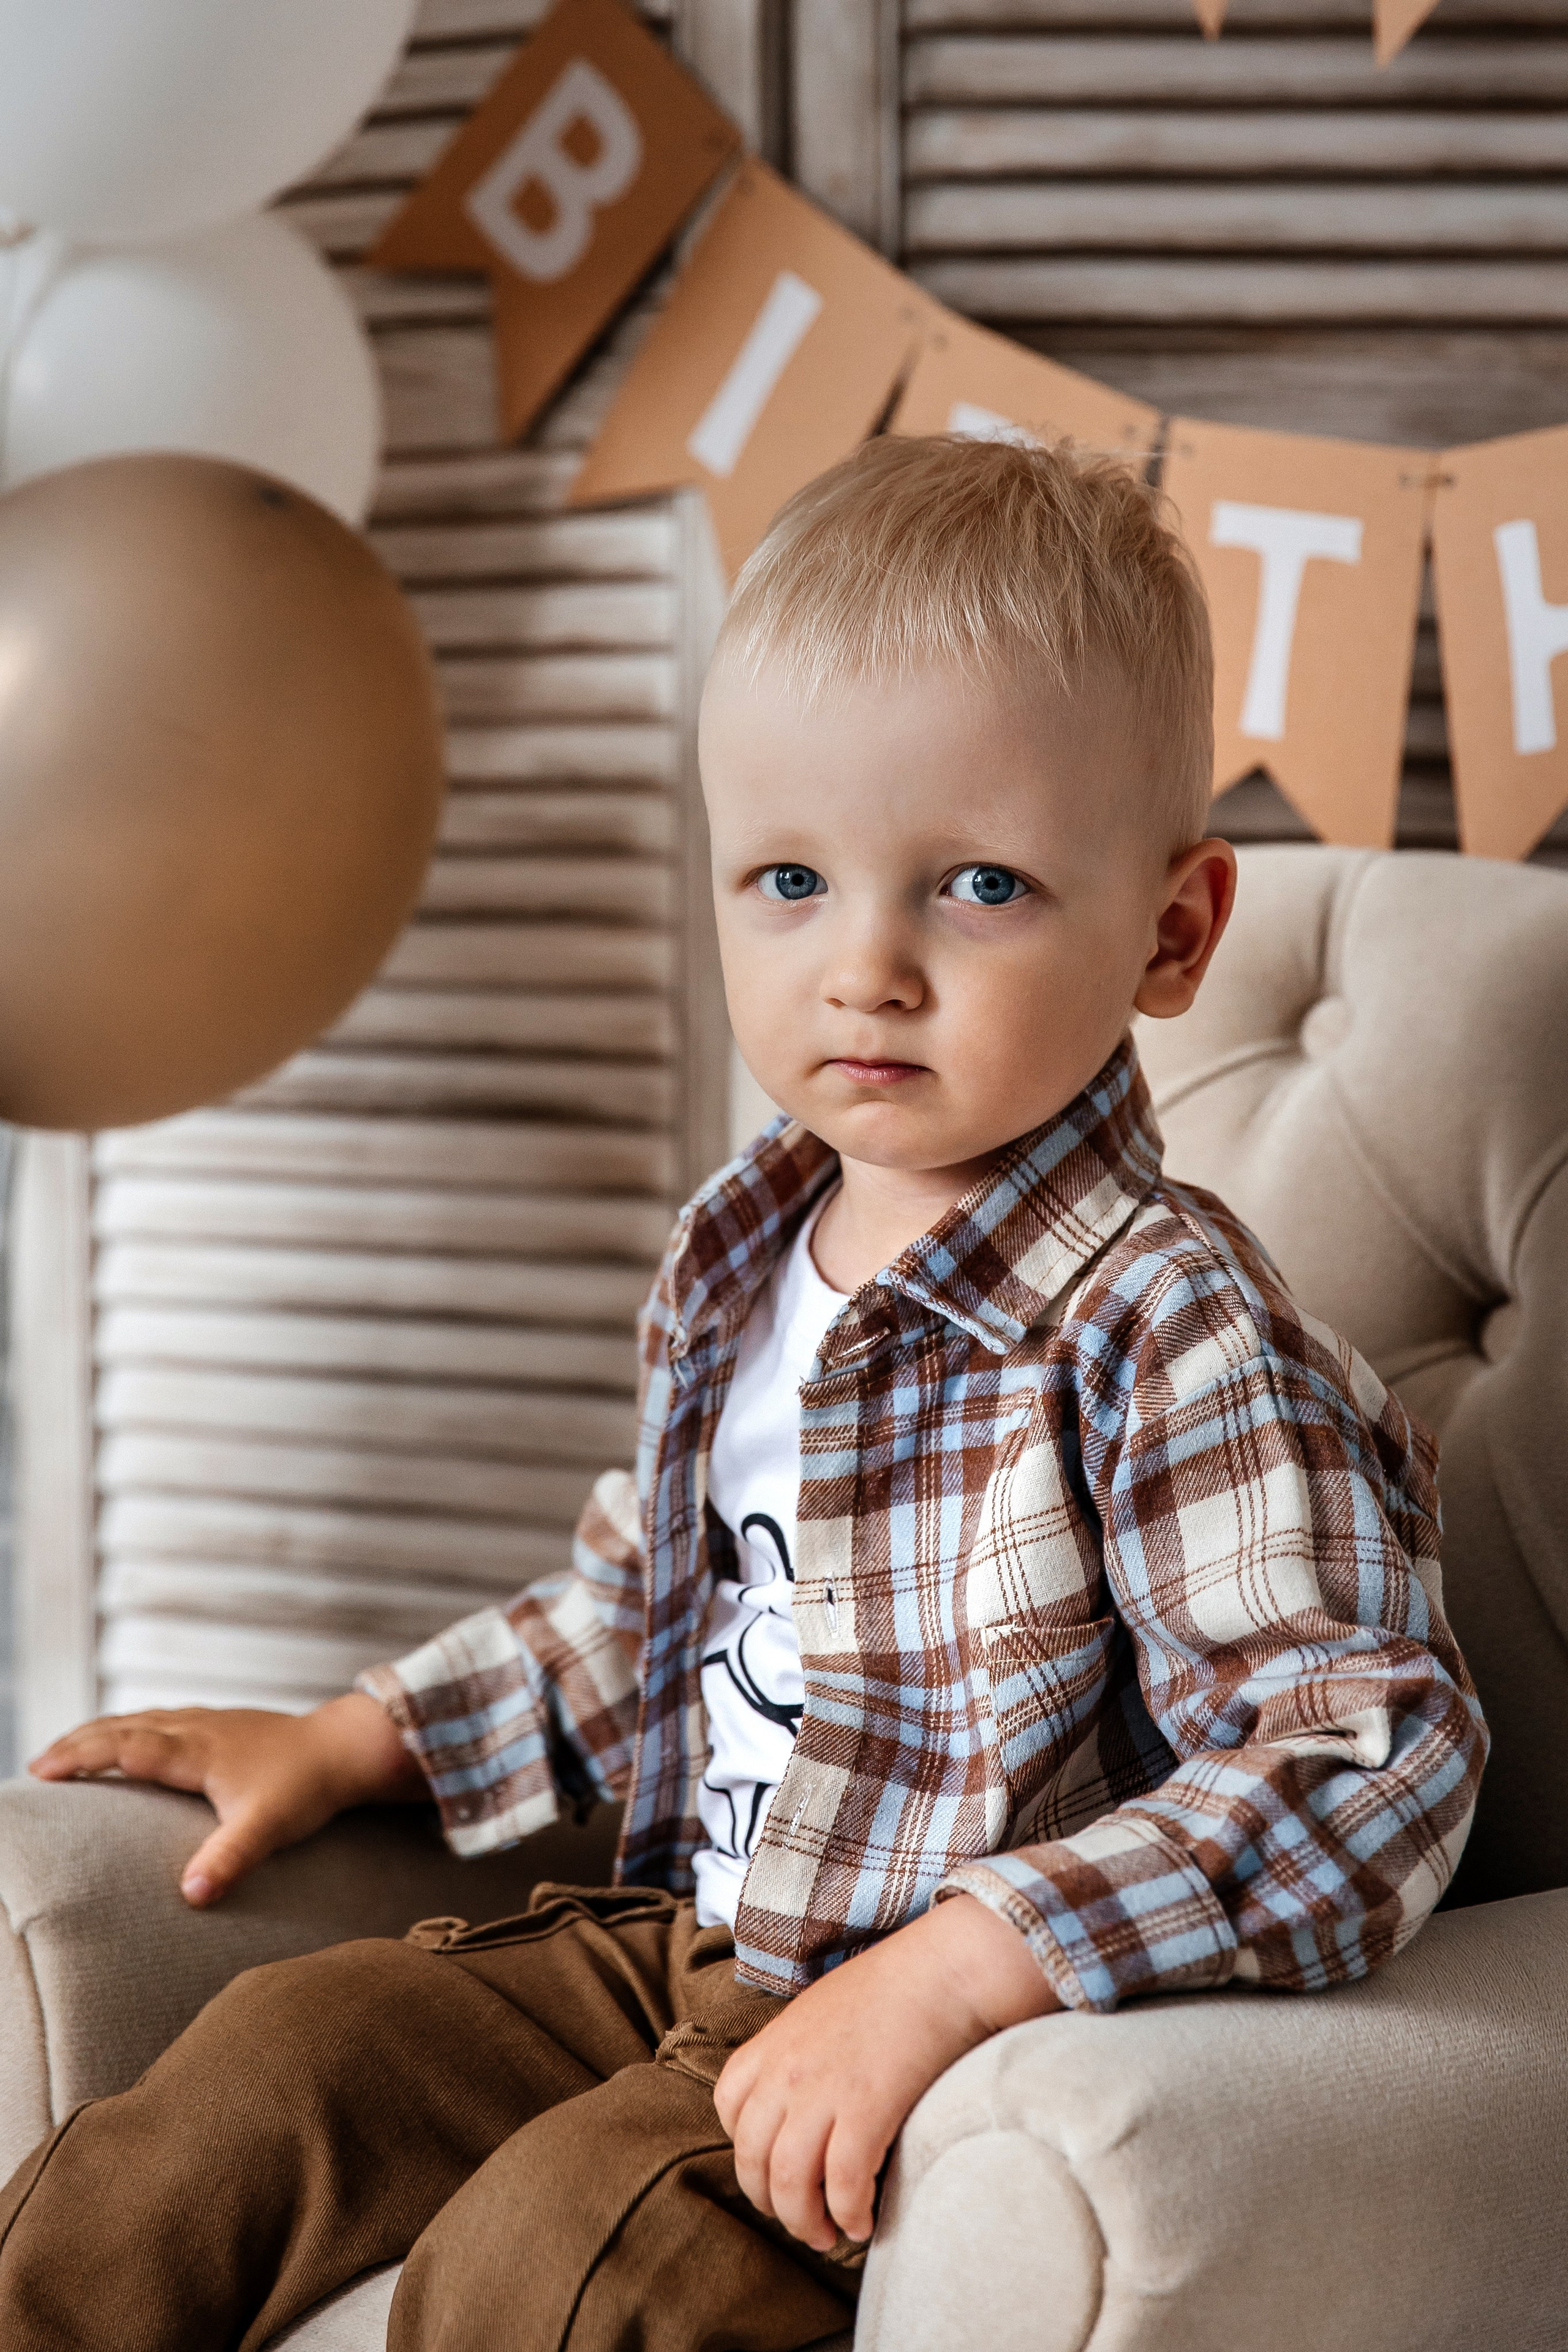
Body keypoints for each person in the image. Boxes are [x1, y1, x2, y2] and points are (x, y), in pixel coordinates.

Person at [0, 435, 1487, 2352]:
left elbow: (1368, 1752)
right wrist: (358, 1734)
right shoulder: (743, 1251)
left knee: (563, 2258)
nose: (862, 968)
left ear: (1175, 931)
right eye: (790, 877)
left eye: (977, 885)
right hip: (684, 1947)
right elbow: (646, 1617)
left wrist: (971, 1967)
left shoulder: (1167, 1326)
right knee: (269, 2072)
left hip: (921, 2044)